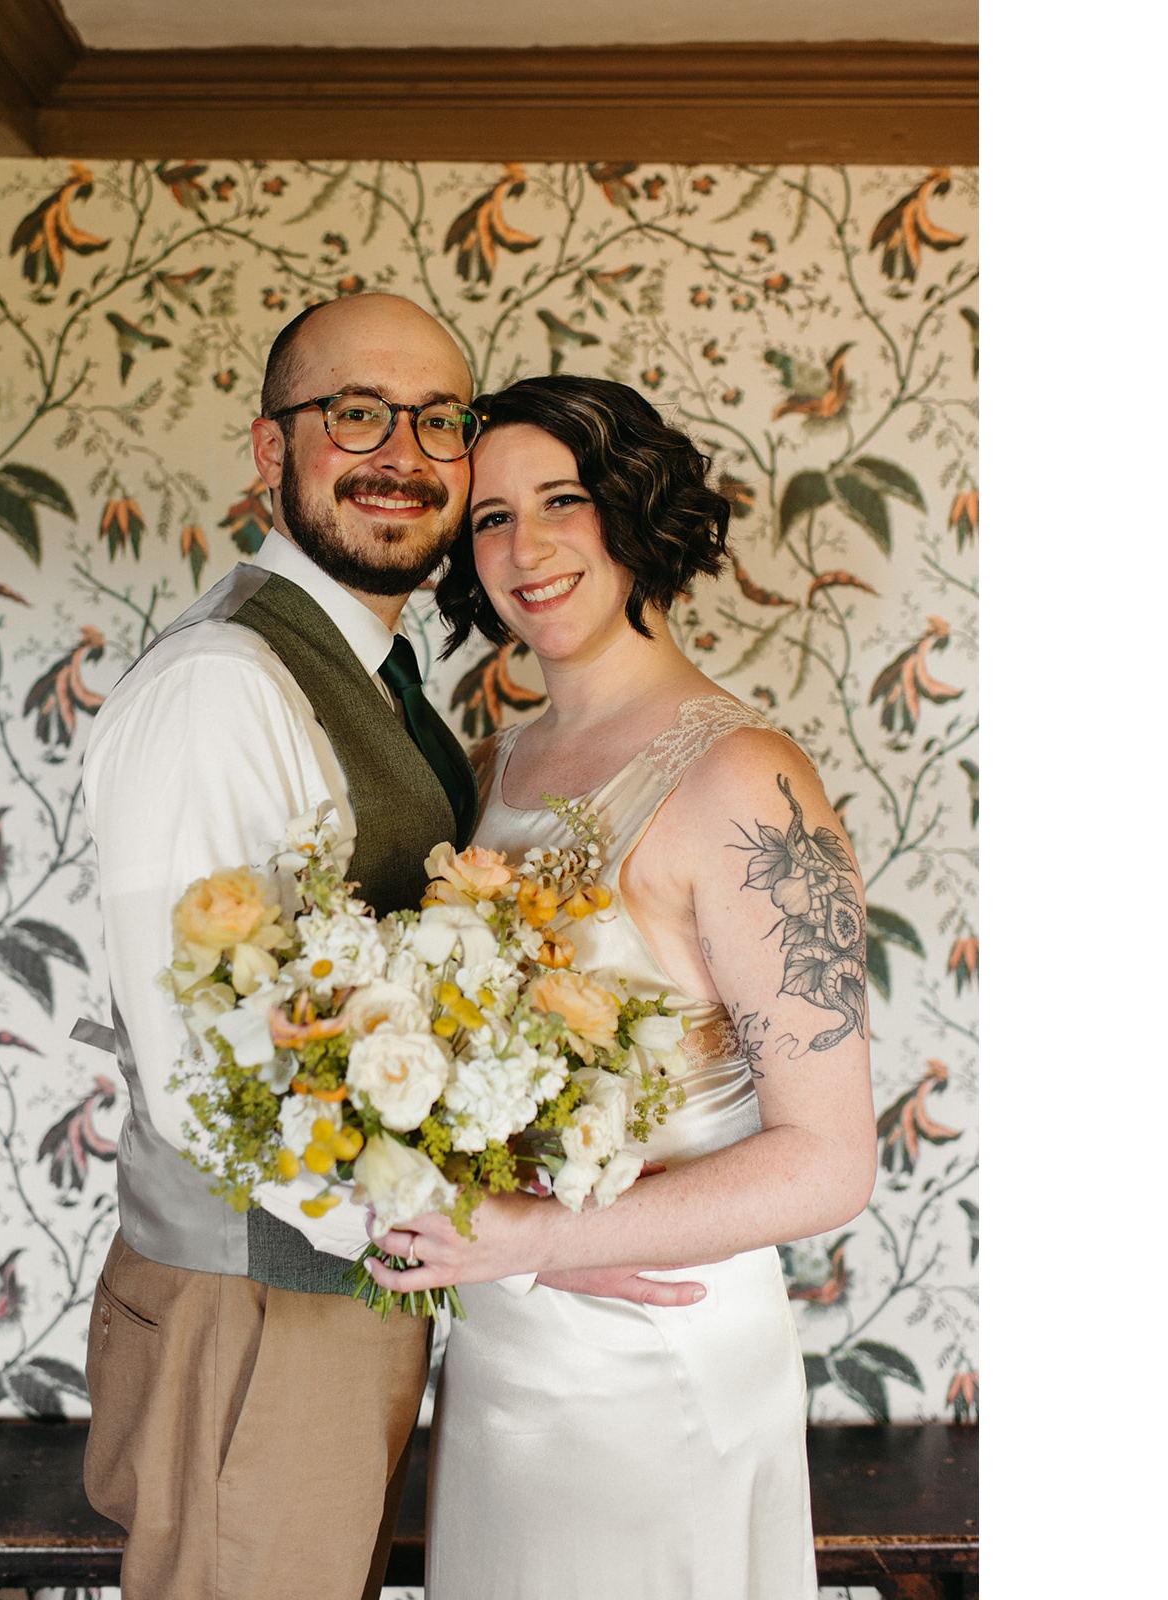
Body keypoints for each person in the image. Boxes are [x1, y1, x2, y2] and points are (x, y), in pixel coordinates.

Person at [74, 301, 698, 1600]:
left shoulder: (383, 676)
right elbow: (210, 1078)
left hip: (347, 1296)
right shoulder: (224, 688)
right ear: (269, 450)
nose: (401, 452)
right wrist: (507, 1232)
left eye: (439, 421)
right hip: (254, 1317)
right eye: (354, 412)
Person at [367, 374, 878, 1599]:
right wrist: (505, 1240)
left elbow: (829, 1158)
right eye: (488, 516)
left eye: (564, 500)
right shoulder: (479, 765)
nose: (526, 547)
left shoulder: (751, 783)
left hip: (665, 1362)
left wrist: (549, 1233)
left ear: (636, 514)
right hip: (502, 1345)